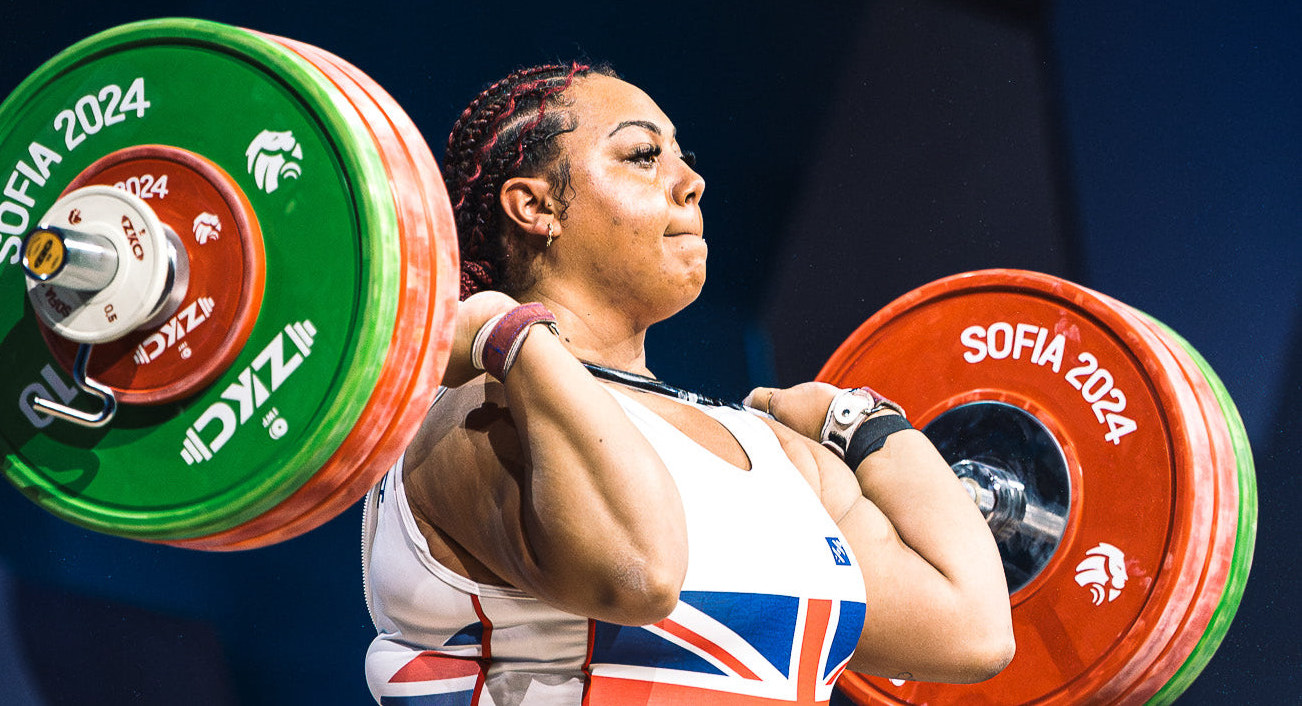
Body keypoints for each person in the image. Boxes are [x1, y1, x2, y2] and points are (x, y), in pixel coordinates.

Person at [361, 62, 1014, 705]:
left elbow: (970, 631)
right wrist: (511, 335)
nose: (691, 182)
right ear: (535, 206)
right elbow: (638, 576)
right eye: (643, 155)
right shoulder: (476, 411)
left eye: (683, 156)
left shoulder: (775, 450)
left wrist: (860, 423)